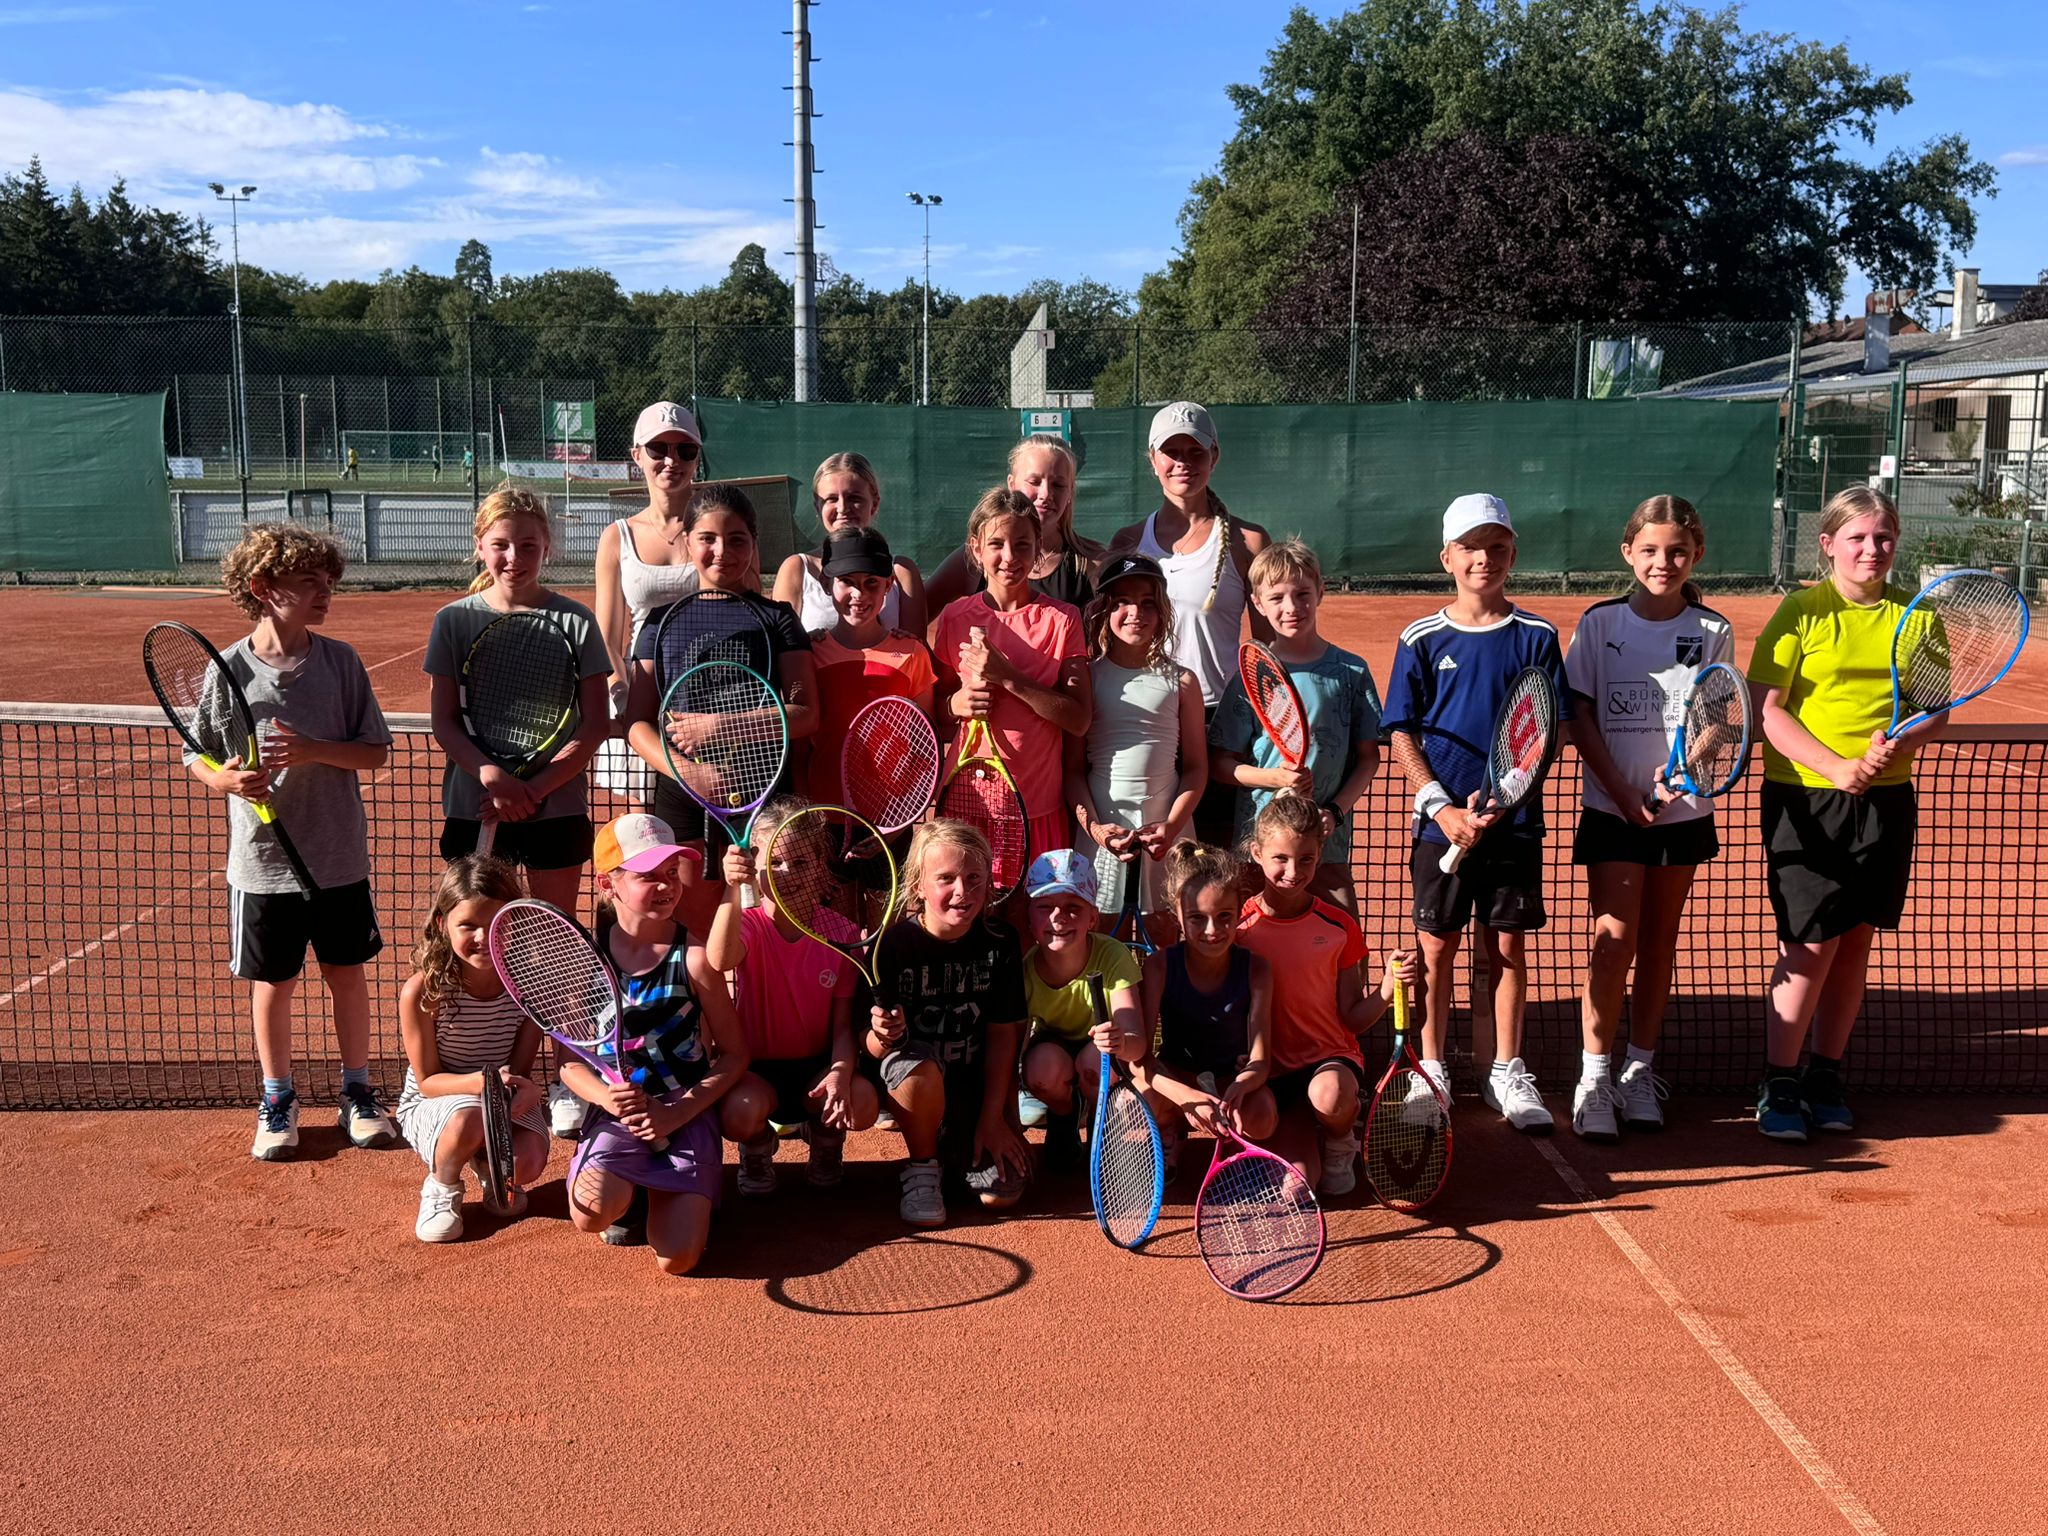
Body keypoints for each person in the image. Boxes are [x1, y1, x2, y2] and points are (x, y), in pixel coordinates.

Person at [187, 523, 396, 1162]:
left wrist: (311, 750)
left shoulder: (340, 663)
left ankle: (357, 1093)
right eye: (307, 582)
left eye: (328, 583)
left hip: (337, 857)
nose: (323, 593)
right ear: (261, 588)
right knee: (272, 985)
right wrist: (225, 778)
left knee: (346, 976)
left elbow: (376, 753)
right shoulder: (228, 671)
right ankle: (277, 1097)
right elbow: (195, 754)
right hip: (262, 866)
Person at [1748, 486, 1941, 1141]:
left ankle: (1825, 1074)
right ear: (1828, 544)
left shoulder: (1916, 618)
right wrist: (1836, 767)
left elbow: (1934, 708)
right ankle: (1778, 1081)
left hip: (1886, 799)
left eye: (1883, 537)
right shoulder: (1801, 612)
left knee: (1855, 937)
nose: (1872, 549)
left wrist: (1897, 743)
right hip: (1805, 800)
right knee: (1808, 943)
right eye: (1857, 537)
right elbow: (1768, 709)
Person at [1382, 493, 1569, 1135]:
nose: (1482, 558)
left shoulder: (1537, 636)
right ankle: (1432, 1075)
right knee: (1436, 950)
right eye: (1470, 547)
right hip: (1440, 828)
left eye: (1495, 546)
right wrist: (1440, 809)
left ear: (1512, 555)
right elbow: (1402, 731)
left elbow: (1549, 731)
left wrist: (1507, 796)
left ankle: (1506, 1071)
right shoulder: (1422, 638)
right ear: (1447, 558)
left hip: (1511, 825)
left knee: (1506, 950)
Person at [1563, 495, 1736, 1140]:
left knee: (1660, 943)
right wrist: (1619, 789)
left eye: (1677, 551)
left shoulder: (1713, 629)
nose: (1664, 562)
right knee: (1613, 944)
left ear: (1696, 556)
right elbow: (1579, 714)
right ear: (1628, 553)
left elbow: (1718, 714)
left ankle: (1639, 1071)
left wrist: (1688, 764)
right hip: (1612, 811)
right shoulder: (1601, 624)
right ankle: (1593, 1076)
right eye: (1651, 550)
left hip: (1683, 812)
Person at [563, 815, 751, 1275]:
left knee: (678, 1259)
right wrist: (605, 1095)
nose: (666, 885)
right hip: (616, 1112)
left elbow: (734, 1054)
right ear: (609, 885)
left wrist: (678, 1113)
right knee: (591, 1213)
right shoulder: (585, 958)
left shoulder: (696, 959)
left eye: (672, 873)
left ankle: (677, 1192)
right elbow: (569, 1063)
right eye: (648, 875)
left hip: (683, 1113)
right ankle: (629, 1198)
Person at [424, 486, 611, 918]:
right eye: (500, 545)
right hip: (476, 805)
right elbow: (445, 722)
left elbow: (595, 724)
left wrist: (533, 790)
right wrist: (494, 778)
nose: (514, 557)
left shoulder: (575, 620)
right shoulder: (453, 621)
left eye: (528, 546)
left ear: (547, 547)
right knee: (475, 935)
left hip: (557, 808)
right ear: (479, 547)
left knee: (551, 934)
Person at [624, 481, 818, 867]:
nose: (722, 552)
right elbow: (636, 723)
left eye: (736, 539)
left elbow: (806, 713)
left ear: (753, 541)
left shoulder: (778, 618)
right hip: (682, 793)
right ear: (687, 541)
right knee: (693, 913)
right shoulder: (660, 624)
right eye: (707, 538)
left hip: (763, 786)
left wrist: (722, 727)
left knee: (757, 912)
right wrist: (688, 774)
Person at [1103, 402, 1271, 847]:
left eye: (1195, 452)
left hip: (1223, 728)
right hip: (1145, 719)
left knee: (1217, 868)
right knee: (1152, 857)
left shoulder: (1247, 542)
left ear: (1214, 456)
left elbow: (1268, 651)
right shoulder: (1126, 542)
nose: (1183, 463)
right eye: (1171, 452)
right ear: (1153, 460)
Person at [1236, 795, 1410, 1195]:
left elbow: (1351, 1018)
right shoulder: (1238, 928)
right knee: (1294, 1190)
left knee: (1330, 1097)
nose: (1293, 871)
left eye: (1306, 860)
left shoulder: (1338, 926)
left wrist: (1386, 988)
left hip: (1326, 1063)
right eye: (1280, 858)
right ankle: (1300, 1133)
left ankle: (1338, 1137)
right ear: (1257, 853)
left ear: (1319, 856)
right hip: (1266, 1071)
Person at [864, 820, 1033, 1227]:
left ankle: (962, 1146)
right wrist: (882, 1036)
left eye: (974, 878)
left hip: (975, 1091)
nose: (962, 891)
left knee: (998, 1198)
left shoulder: (1001, 941)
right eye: (946, 879)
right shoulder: (889, 947)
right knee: (915, 1067)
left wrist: (994, 1118)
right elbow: (868, 1048)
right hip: (915, 1087)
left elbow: (1003, 1035)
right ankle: (923, 1165)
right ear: (919, 886)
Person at [714, 797, 881, 1195]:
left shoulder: (842, 933)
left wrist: (840, 1071)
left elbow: (843, 1024)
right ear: (754, 868)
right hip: (757, 1072)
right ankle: (756, 1145)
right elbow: (720, 959)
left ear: (823, 867)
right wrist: (731, 888)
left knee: (862, 1102)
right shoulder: (749, 924)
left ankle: (824, 1138)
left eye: (802, 863)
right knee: (737, 1115)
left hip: (816, 1070)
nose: (787, 873)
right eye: (773, 862)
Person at [1208, 539, 1383, 913]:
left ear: (1320, 591)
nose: (1291, 608)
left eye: (1302, 593)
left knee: (1343, 948)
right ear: (1257, 603)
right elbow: (1219, 763)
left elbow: (1369, 757)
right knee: (1255, 944)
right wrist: (1275, 779)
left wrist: (1334, 813)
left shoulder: (1351, 672)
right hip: (1259, 847)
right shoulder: (1250, 677)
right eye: (1276, 598)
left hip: (1325, 846)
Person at [931, 488, 1093, 872]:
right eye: (996, 544)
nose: (1009, 557)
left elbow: (1078, 718)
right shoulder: (955, 617)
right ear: (976, 548)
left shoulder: (1063, 619)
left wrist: (1008, 678)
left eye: (1022, 545)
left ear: (1038, 547)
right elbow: (935, 713)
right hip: (967, 807)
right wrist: (956, 704)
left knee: (1034, 924)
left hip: (1037, 807)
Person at [396, 855, 549, 1242]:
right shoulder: (422, 992)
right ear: (441, 925)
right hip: (439, 1099)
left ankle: (487, 1163)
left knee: (527, 1160)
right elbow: (428, 1081)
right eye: (468, 925)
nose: (483, 937)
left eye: (497, 925)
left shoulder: (528, 987)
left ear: (515, 923)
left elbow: (521, 1068)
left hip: (498, 1093)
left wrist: (527, 1092)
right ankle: (442, 1184)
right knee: (468, 1119)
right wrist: (482, 1085)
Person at [1065, 552, 1206, 923]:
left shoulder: (1182, 681)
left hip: (1167, 833)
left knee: (1163, 933)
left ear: (1161, 612)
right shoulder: (1086, 678)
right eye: (1122, 602)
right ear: (1103, 611)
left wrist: (1171, 827)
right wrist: (1096, 831)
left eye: (1147, 603)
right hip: (1103, 835)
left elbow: (1195, 769)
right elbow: (1074, 772)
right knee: (1099, 933)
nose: (1135, 613)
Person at [1132, 840, 1277, 1172]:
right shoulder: (1159, 966)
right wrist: (1185, 1097)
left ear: (1241, 908)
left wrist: (1241, 1085)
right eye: (1197, 918)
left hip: (1229, 1079)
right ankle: (1171, 1129)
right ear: (1177, 916)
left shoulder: (1257, 968)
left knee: (1263, 1115)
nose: (1212, 930)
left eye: (1224, 916)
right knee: (1137, 1099)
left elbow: (1261, 1061)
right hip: (1177, 1077)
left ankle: (1231, 1141)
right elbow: (1139, 1060)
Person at [1015, 851, 1145, 1170]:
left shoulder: (1114, 956)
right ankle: (1065, 1117)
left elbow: (1137, 1041)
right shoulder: (1023, 969)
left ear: (1093, 918)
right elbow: (1012, 1052)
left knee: (1094, 1062)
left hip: (1101, 1053)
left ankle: (1103, 1128)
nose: (1059, 917)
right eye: (1045, 907)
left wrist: (1120, 1041)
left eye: (1074, 908)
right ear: (1030, 918)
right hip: (1053, 1050)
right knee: (1041, 1070)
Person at [593, 403, 711, 727]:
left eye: (685, 450)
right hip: (638, 699)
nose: (671, 461)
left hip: (710, 698)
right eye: (658, 448)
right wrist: (624, 696)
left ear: (697, 458)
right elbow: (607, 640)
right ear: (637, 456)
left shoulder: (723, 532)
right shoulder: (617, 538)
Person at [803, 527, 938, 809]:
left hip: (893, 814)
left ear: (889, 586)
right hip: (822, 815)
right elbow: (800, 749)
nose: (858, 594)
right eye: (847, 581)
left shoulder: (912, 654)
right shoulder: (810, 655)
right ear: (826, 583)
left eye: (871, 583)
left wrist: (905, 818)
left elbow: (926, 744)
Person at [925, 435, 1103, 613]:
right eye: (1034, 482)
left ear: (1070, 492)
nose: (1046, 493)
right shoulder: (973, 559)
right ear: (1012, 484)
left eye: (1058, 485)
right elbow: (916, 615)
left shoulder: (1093, 563)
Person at [772, 452, 927, 634]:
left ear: (875, 504)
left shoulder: (902, 571)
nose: (843, 508)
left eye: (854, 498)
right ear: (817, 506)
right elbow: (782, 649)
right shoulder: (796, 568)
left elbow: (917, 650)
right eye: (831, 499)